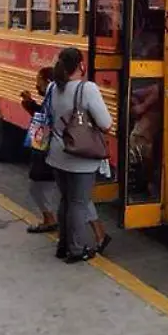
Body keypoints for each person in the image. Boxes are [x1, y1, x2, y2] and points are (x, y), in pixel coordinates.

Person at [46, 48, 113, 262]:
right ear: (81, 66)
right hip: (80, 157)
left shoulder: (51, 88)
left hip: (56, 154)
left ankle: (63, 245)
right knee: (78, 203)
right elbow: (106, 124)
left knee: (66, 200)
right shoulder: (87, 89)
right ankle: (76, 249)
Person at [21, 68, 58, 234]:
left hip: (46, 148)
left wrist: (30, 105)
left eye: (39, 80)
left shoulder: (53, 97)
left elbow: (45, 118)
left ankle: (49, 219)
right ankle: (50, 218)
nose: (37, 85)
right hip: (49, 148)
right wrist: (30, 104)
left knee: (36, 186)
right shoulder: (54, 96)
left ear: (47, 81)